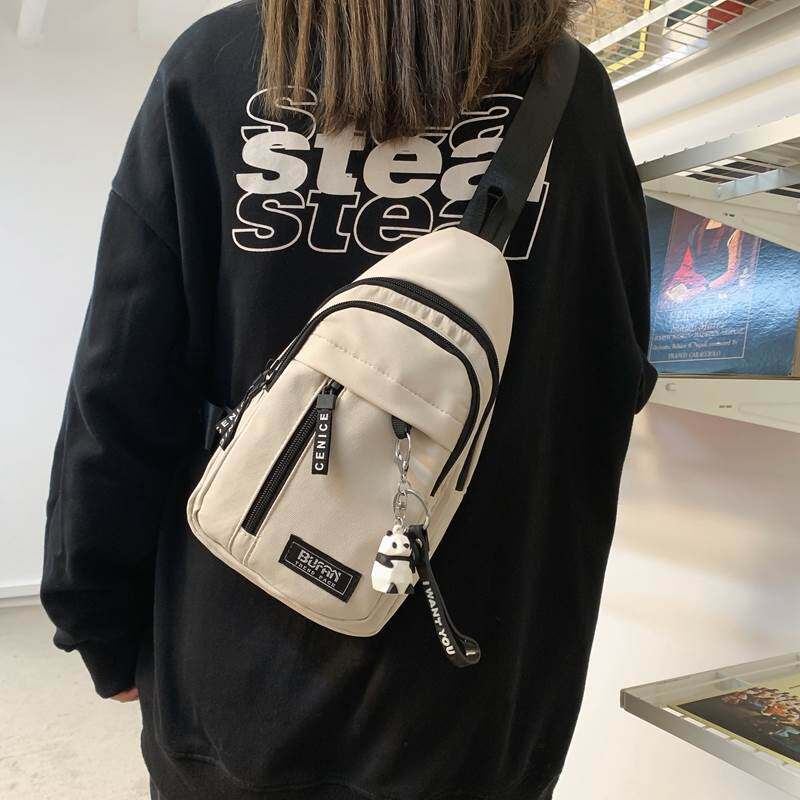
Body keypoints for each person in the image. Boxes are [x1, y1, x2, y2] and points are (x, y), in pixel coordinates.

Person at [41, 2, 657, 799]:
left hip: (228, 677)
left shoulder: (216, 66)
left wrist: (98, 621)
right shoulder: (569, 91)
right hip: (471, 691)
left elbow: (122, 386)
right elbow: (604, 387)